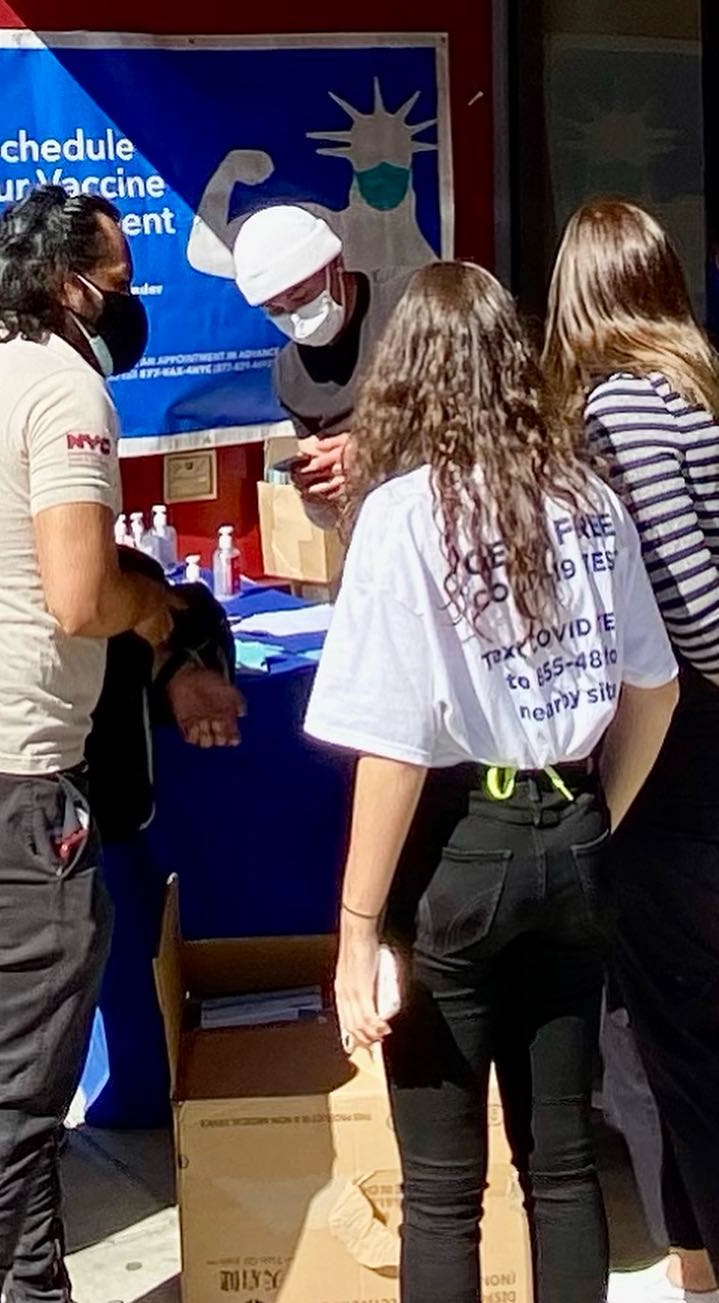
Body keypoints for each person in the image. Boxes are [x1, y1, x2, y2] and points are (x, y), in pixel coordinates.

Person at [304, 261, 680, 1303]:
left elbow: (392, 747)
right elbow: (653, 687)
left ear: (406, 379)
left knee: (440, 1188)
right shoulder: (588, 499)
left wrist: (354, 932)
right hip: (573, 827)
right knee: (559, 1165)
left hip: (457, 844)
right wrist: (605, 808)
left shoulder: (403, 515)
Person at [0, 349, 243, 1225]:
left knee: (22, 1027)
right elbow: (90, 600)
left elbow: (141, 594)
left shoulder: (7, 479)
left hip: (28, 773)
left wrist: (177, 663)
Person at [0, 185, 173, 1303]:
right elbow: (74, 594)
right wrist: (147, 607)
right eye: (119, 276)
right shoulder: (63, 389)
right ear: (71, 287)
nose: (131, 297)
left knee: (19, 1061)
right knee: (15, 1093)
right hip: (9, 776)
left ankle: (35, 1286)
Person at [545, 198, 719, 1303]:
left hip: (681, 745)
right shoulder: (698, 389)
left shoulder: (624, 406)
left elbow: (690, 606)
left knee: (683, 1037)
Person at [232, 204, 416, 511]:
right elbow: (332, 499)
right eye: (275, 309)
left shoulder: (415, 303)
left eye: (301, 295)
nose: (293, 315)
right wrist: (320, 493)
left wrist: (379, 452)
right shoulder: (291, 376)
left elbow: (487, 414)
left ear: (336, 263)